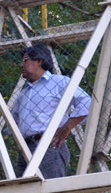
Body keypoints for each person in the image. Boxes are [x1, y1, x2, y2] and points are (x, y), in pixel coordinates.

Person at [12, 44, 91, 182]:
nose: (21, 65)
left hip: (49, 145)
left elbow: (86, 102)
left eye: (25, 60)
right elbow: (14, 122)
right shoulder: (24, 93)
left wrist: (66, 128)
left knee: (50, 190)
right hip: (25, 149)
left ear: (38, 61)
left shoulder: (59, 82)